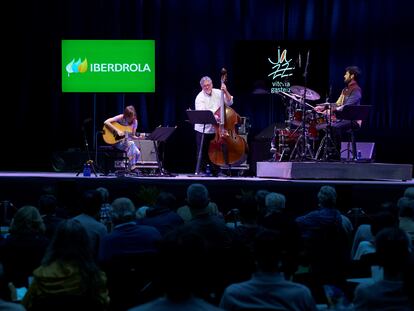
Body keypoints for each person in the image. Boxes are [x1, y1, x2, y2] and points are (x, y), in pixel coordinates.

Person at [315, 66, 362, 158]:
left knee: (333, 127)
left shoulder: (356, 90)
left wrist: (330, 111)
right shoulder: (345, 90)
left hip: (352, 120)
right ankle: (325, 154)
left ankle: (335, 155)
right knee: (321, 126)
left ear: (352, 76)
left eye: (346, 74)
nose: (344, 76)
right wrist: (323, 107)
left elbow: (346, 106)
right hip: (343, 119)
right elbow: (337, 104)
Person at [194, 75, 234, 175]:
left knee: (216, 150)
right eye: (205, 86)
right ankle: (201, 171)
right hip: (203, 128)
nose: (207, 87)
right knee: (202, 151)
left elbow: (230, 102)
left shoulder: (218, 92)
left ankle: (216, 171)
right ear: (202, 87)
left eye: (209, 85)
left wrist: (225, 91)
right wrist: (217, 117)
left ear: (212, 84)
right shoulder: (199, 97)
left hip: (216, 129)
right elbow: (204, 113)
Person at [104, 105, 141, 172]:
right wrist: (117, 131)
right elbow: (106, 122)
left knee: (138, 153)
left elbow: (132, 136)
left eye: (132, 116)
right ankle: (132, 167)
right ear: (125, 115)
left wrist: (139, 138)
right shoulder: (121, 117)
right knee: (132, 144)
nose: (130, 118)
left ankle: (129, 167)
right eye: (128, 116)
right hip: (117, 141)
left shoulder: (135, 122)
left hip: (127, 143)